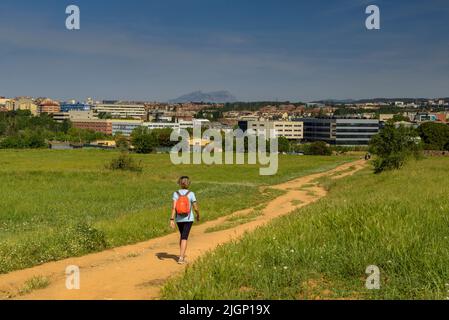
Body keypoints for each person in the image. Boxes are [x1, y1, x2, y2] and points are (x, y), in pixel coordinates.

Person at [170, 176, 200, 265]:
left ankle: (181, 254)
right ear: (188, 184)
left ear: (179, 183)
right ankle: (181, 257)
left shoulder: (175, 193)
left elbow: (173, 207)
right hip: (188, 218)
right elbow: (195, 207)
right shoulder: (191, 193)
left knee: (182, 236)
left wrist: (172, 219)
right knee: (184, 237)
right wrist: (198, 214)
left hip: (179, 219)